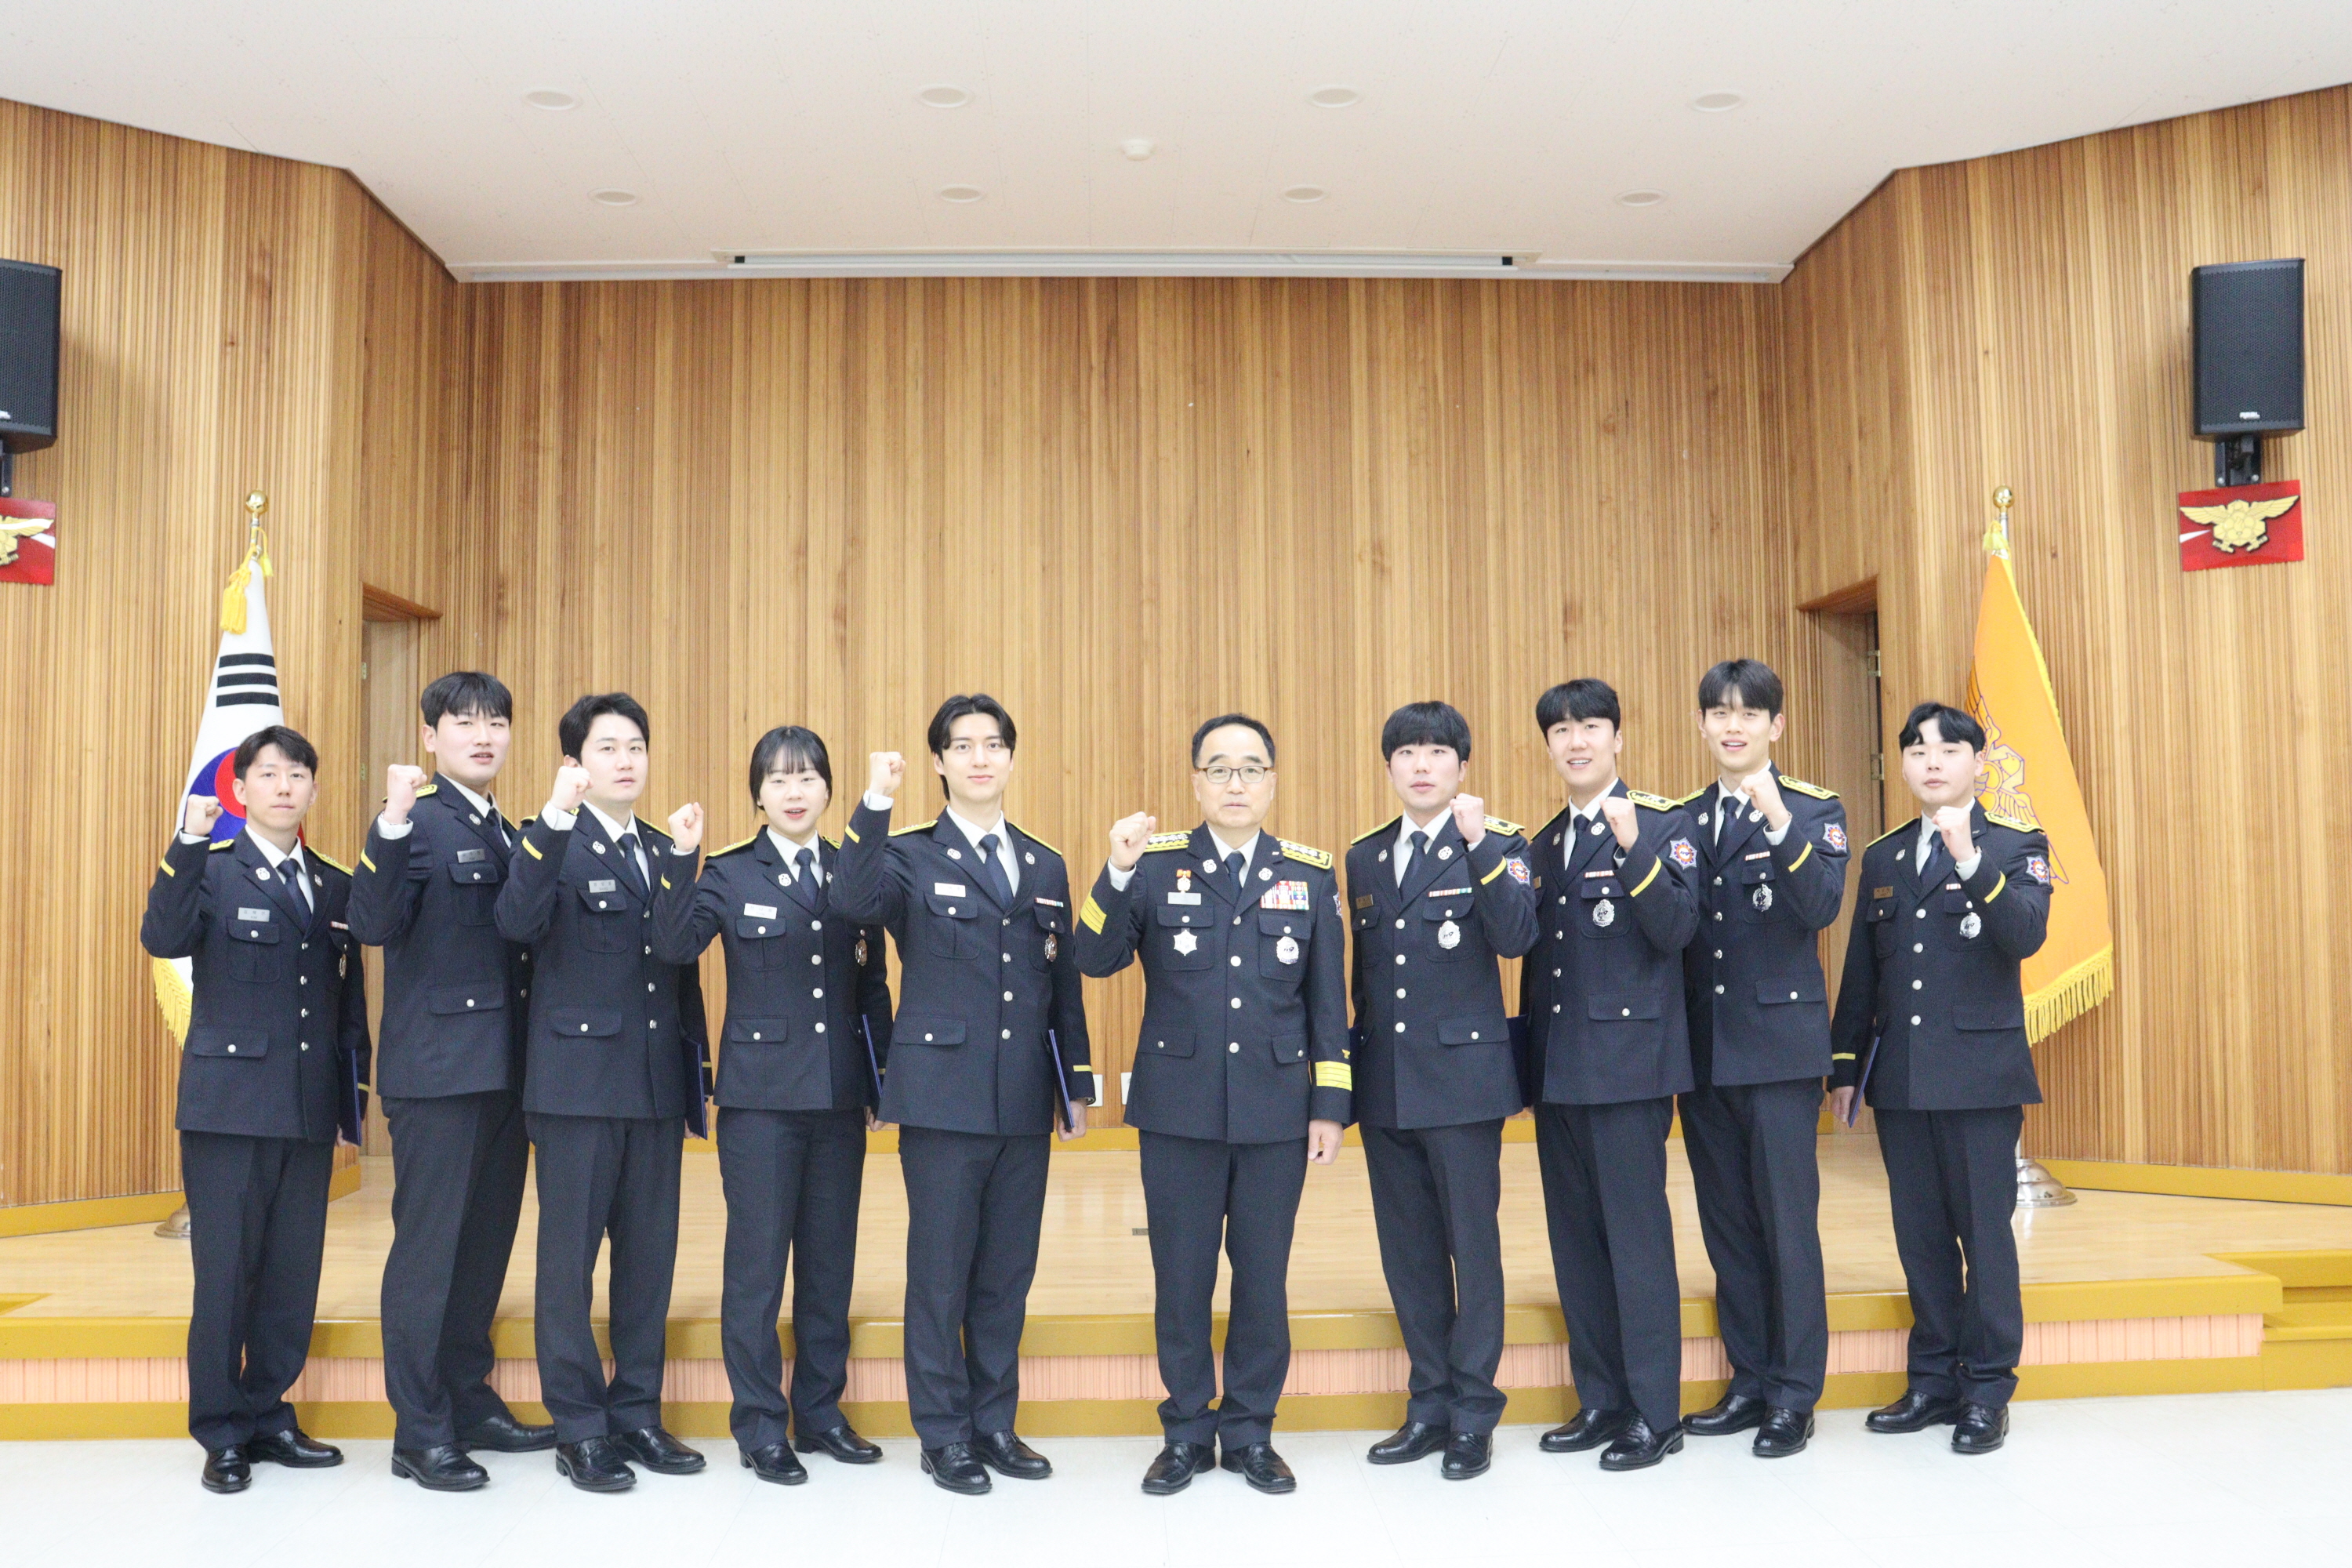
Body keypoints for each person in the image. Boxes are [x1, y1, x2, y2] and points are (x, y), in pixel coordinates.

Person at [1075, 714, 1349, 1497]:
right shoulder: (1155, 866)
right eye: (1220, 769)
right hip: (1178, 1111)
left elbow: (1327, 1002)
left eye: (1251, 768)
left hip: (1275, 1112)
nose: (1236, 783)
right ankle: (1187, 1431)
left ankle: (1253, 1429)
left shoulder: (1309, 875)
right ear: (1195, 782)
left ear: (1272, 782)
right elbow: (1093, 955)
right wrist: (1115, 869)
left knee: (1263, 1278)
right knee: (1182, 1277)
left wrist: (1329, 1103)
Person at [829, 693, 1094, 1495]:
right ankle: (943, 1433)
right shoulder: (907, 853)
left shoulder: (1043, 863)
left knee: (1007, 1273)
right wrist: (875, 802)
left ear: (1011, 757)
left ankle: (994, 1422)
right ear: (939, 762)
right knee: (941, 1274)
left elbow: (1063, 983)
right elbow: (851, 900)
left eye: (993, 744)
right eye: (963, 745)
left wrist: (1075, 1085)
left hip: (1023, 1097)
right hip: (941, 1096)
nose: (981, 758)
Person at [655, 726, 893, 1486]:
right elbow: (672, 945)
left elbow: (873, 985)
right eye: (779, 779)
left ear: (828, 789)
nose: (795, 792)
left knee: (828, 1265)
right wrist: (679, 857)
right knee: (757, 1269)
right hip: (759, 1103)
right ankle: (760, 1425)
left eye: (808, 777)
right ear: (757, 794)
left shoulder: (853, 869)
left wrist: (881, 1082)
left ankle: (820, 1412)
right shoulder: (728, 871)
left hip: (838, 1099)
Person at [140, 725, 369, 1494]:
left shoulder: (332, 883)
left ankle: (269, 1413)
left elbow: (344, 998)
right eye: (268, 774)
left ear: (314, 789)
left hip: (305, 1105)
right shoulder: (208, 869)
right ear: (240, 789)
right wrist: (185, 840)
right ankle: (221, 1429)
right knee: (226, 1276)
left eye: (297, 774)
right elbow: (162, 935)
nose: (283, 786)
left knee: (290, 1273)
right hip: (229, 1108)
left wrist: (350, 1096)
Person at [495, 692, 711, 1494]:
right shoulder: (548, 836)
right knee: (568, 1267)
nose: (625, 760)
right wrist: (554, 816)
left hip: (653, 1086)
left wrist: (694, 1078)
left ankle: (638, 1413)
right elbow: (516, 920)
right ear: (576, 761)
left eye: (636, 746)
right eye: (608, 747)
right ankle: (580, 1426)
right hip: (576, 1088)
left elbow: (679, 965)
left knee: (649, 1262)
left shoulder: (663, 846)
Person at [347, 671, 552, 1491]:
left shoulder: (505, 826)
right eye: (464, 722)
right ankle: (420, 1429)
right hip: (438, 1074)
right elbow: (371, 921)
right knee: (429, 1254)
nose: (483, 735)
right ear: (430, 737)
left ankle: (469, 1400)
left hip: (503, 1071)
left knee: (482, 1248)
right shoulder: (419, 822)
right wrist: (391, 822)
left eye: (496, 721)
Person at [1831, 701, 2051, 1456]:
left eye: (1950, 749)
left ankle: (1986, 1389)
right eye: (1918, 749)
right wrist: (1845, 1066)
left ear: (1978, 764)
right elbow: (1862, 972)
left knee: (1984, 1238)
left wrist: (1969, 859)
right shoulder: (1885, 856)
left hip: (1981, 1080)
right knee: (1921, 1237)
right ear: (1902, 765)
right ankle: (1931, 1380)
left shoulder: (2016, 844)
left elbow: (2024, 933)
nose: (1932, 761)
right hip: (1903, 1079)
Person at [1343, 700, 1537, 1483]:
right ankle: (1427, 1403)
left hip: (1464, 1085)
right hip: (1386, 1084)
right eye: (1407, 753)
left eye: (1436, 752)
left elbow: (1516, 936)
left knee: (1472, 1250)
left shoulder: (1499, 842)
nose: (1421, 766)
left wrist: (1478, 841)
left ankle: (1474, 1412)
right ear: (1389, 766)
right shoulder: (1363, 855)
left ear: (1462, 766)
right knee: (1410, 1254)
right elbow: (1362, 980)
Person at [1518, 678, 1702, 1471]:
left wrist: (1633, 850)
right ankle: (1600, 1399)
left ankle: (1656, 1412)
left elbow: (1678, 928)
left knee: (1637, 1243)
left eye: (1590, 726)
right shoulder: (1543, 842)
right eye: (1561, 731)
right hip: (1559, 1070)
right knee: (1578, 1245)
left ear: (1617, 738)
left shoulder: (1662, 824)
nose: (1576, 741)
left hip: (1629, 1070)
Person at [1675, 660, 1849, 1457]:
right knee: (1729, 1228)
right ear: (1703, 724)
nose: (1733, 726)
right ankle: (1749, 1379)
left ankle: (1794, 1392)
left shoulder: (1814, 809)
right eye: (1719, 712)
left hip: (1779, 1053)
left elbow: (1820, 906)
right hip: (1705, 1052)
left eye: (1749, 713)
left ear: (1777, 725)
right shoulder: (1682, 818)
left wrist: (1778, 820)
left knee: (1787, 1226)